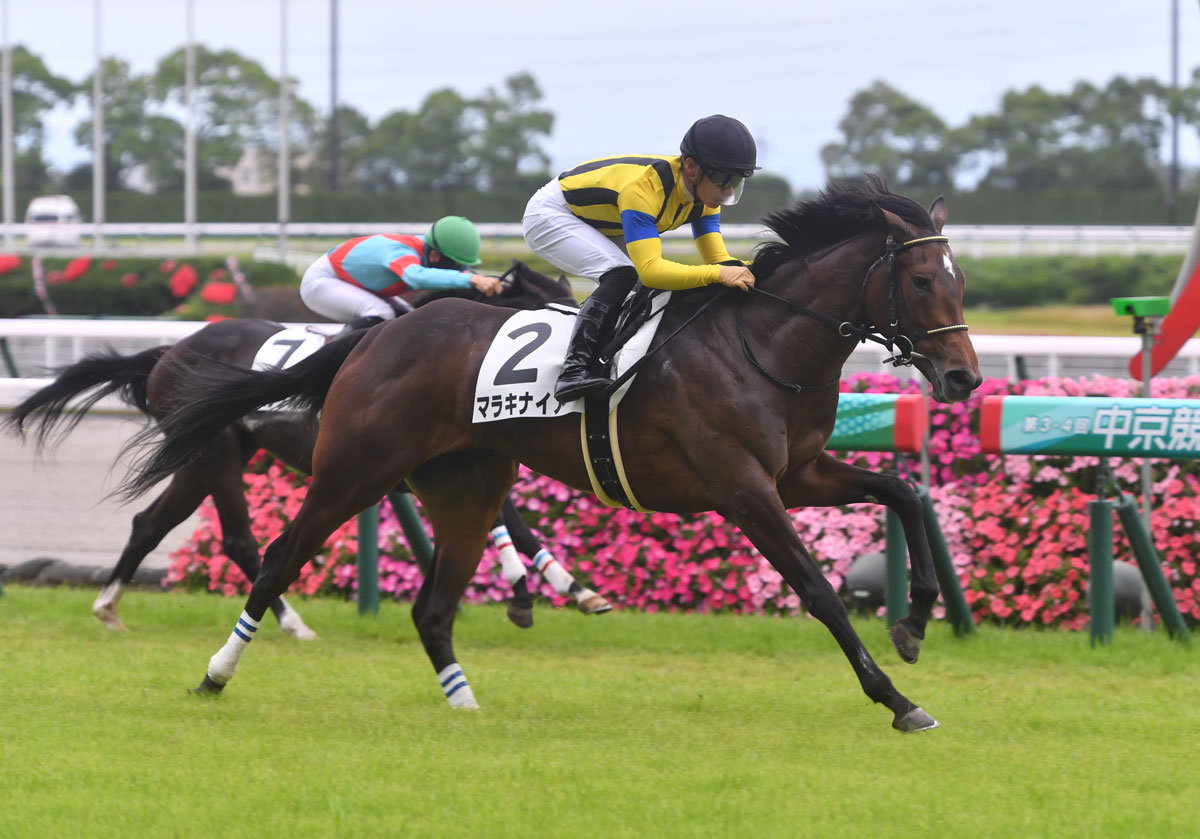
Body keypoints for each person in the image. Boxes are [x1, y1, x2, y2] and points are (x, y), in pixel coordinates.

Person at [522, 114, 760, 401]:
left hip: (602, 220)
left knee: (638, 286)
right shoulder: (645, 189)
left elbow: (718, 259)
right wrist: (719, 274)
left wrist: (756, 269)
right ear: (691, 167)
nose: (729, 190)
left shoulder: (706, 197)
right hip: (551, 214)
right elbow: (652, 271)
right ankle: (573, 370)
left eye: (736, 180)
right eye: (723, 178)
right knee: (623, 274)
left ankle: (609, 355)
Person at [300, 215, 503, 330]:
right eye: (458, 266)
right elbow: (416, 276)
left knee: (410, 318)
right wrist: (471, 279)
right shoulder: (401, 251)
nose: (462, 271)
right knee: (382, 313)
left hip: (356, 285)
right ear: (434, 256)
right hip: (321, 282)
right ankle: (329, 367)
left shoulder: (428, 252)